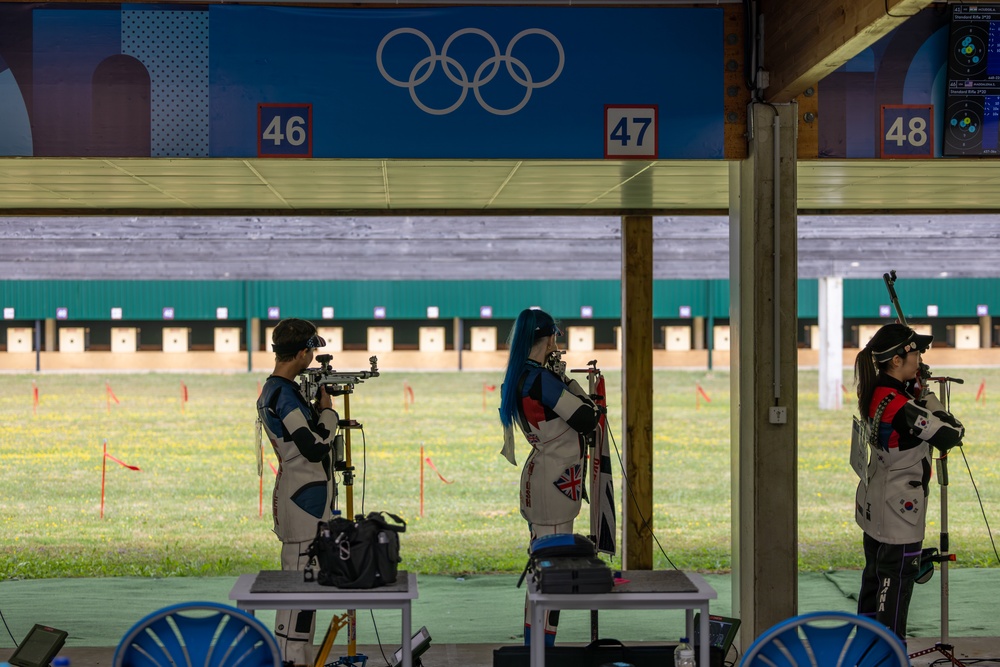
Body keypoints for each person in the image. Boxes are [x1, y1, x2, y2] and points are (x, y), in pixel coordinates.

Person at [853, 322, 964, 639]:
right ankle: (889, 651)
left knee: (875, 579)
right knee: (895, 584)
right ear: (897, 360)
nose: (920, 359)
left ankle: (867, 648)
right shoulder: (904, 408)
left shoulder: (877, 391)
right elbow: (951, 434)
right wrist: (927, 396)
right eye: (915, 352)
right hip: (900, 511)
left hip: (876, 502)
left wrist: (912, 390)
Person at [498, 308, 602, 647]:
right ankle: (541, 654)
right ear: (549, 338)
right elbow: (587, 419)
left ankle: (537, 652)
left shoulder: (526, 375)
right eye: (556, 337)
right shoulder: (541, 380)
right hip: (554, 485)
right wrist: (569, 382)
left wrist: (560, 378)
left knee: (542, 576)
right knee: (551, 579)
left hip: (545, 478)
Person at [256, 318, 339, 666]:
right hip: (303, 500)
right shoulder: (284, 394)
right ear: (303, 352)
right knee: (298, 587)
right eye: (312, 350)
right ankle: (291, 660)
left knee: (302, 587)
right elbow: (313, 447)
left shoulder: (277, 389)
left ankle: (298, 658)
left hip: (303, 496)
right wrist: (329, 415)